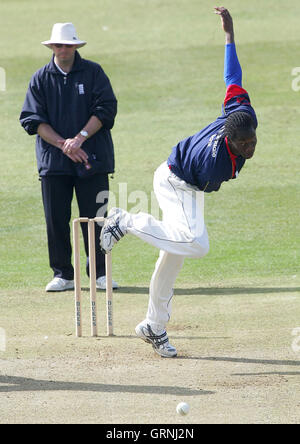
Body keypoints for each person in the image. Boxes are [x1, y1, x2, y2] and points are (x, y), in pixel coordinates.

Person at [100, 7, 258, 357]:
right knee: (195, 243)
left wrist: (229, 36)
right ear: (230, 142)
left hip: (184, 179)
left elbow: (232, 73)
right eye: (243, 145)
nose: (249, 149)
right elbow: (200, 186)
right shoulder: (216, 164)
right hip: (177, 181)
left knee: (172, 256)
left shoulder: (240, 112)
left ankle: (154, 326)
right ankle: (124, 221)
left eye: (252, 142)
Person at [20, 22, 118, 292]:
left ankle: (99, 273)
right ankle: (63, 274)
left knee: (96, 218)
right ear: (52, 46)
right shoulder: (40, 78)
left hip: (92, 159)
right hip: (54, 164)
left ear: (76, 46)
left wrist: (80, 138)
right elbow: (32, 120)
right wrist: (66, 145)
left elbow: (107, 109)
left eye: (68, 45)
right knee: (56, 219)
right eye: (59, 45)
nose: (64, 49)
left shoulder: (94, 72)